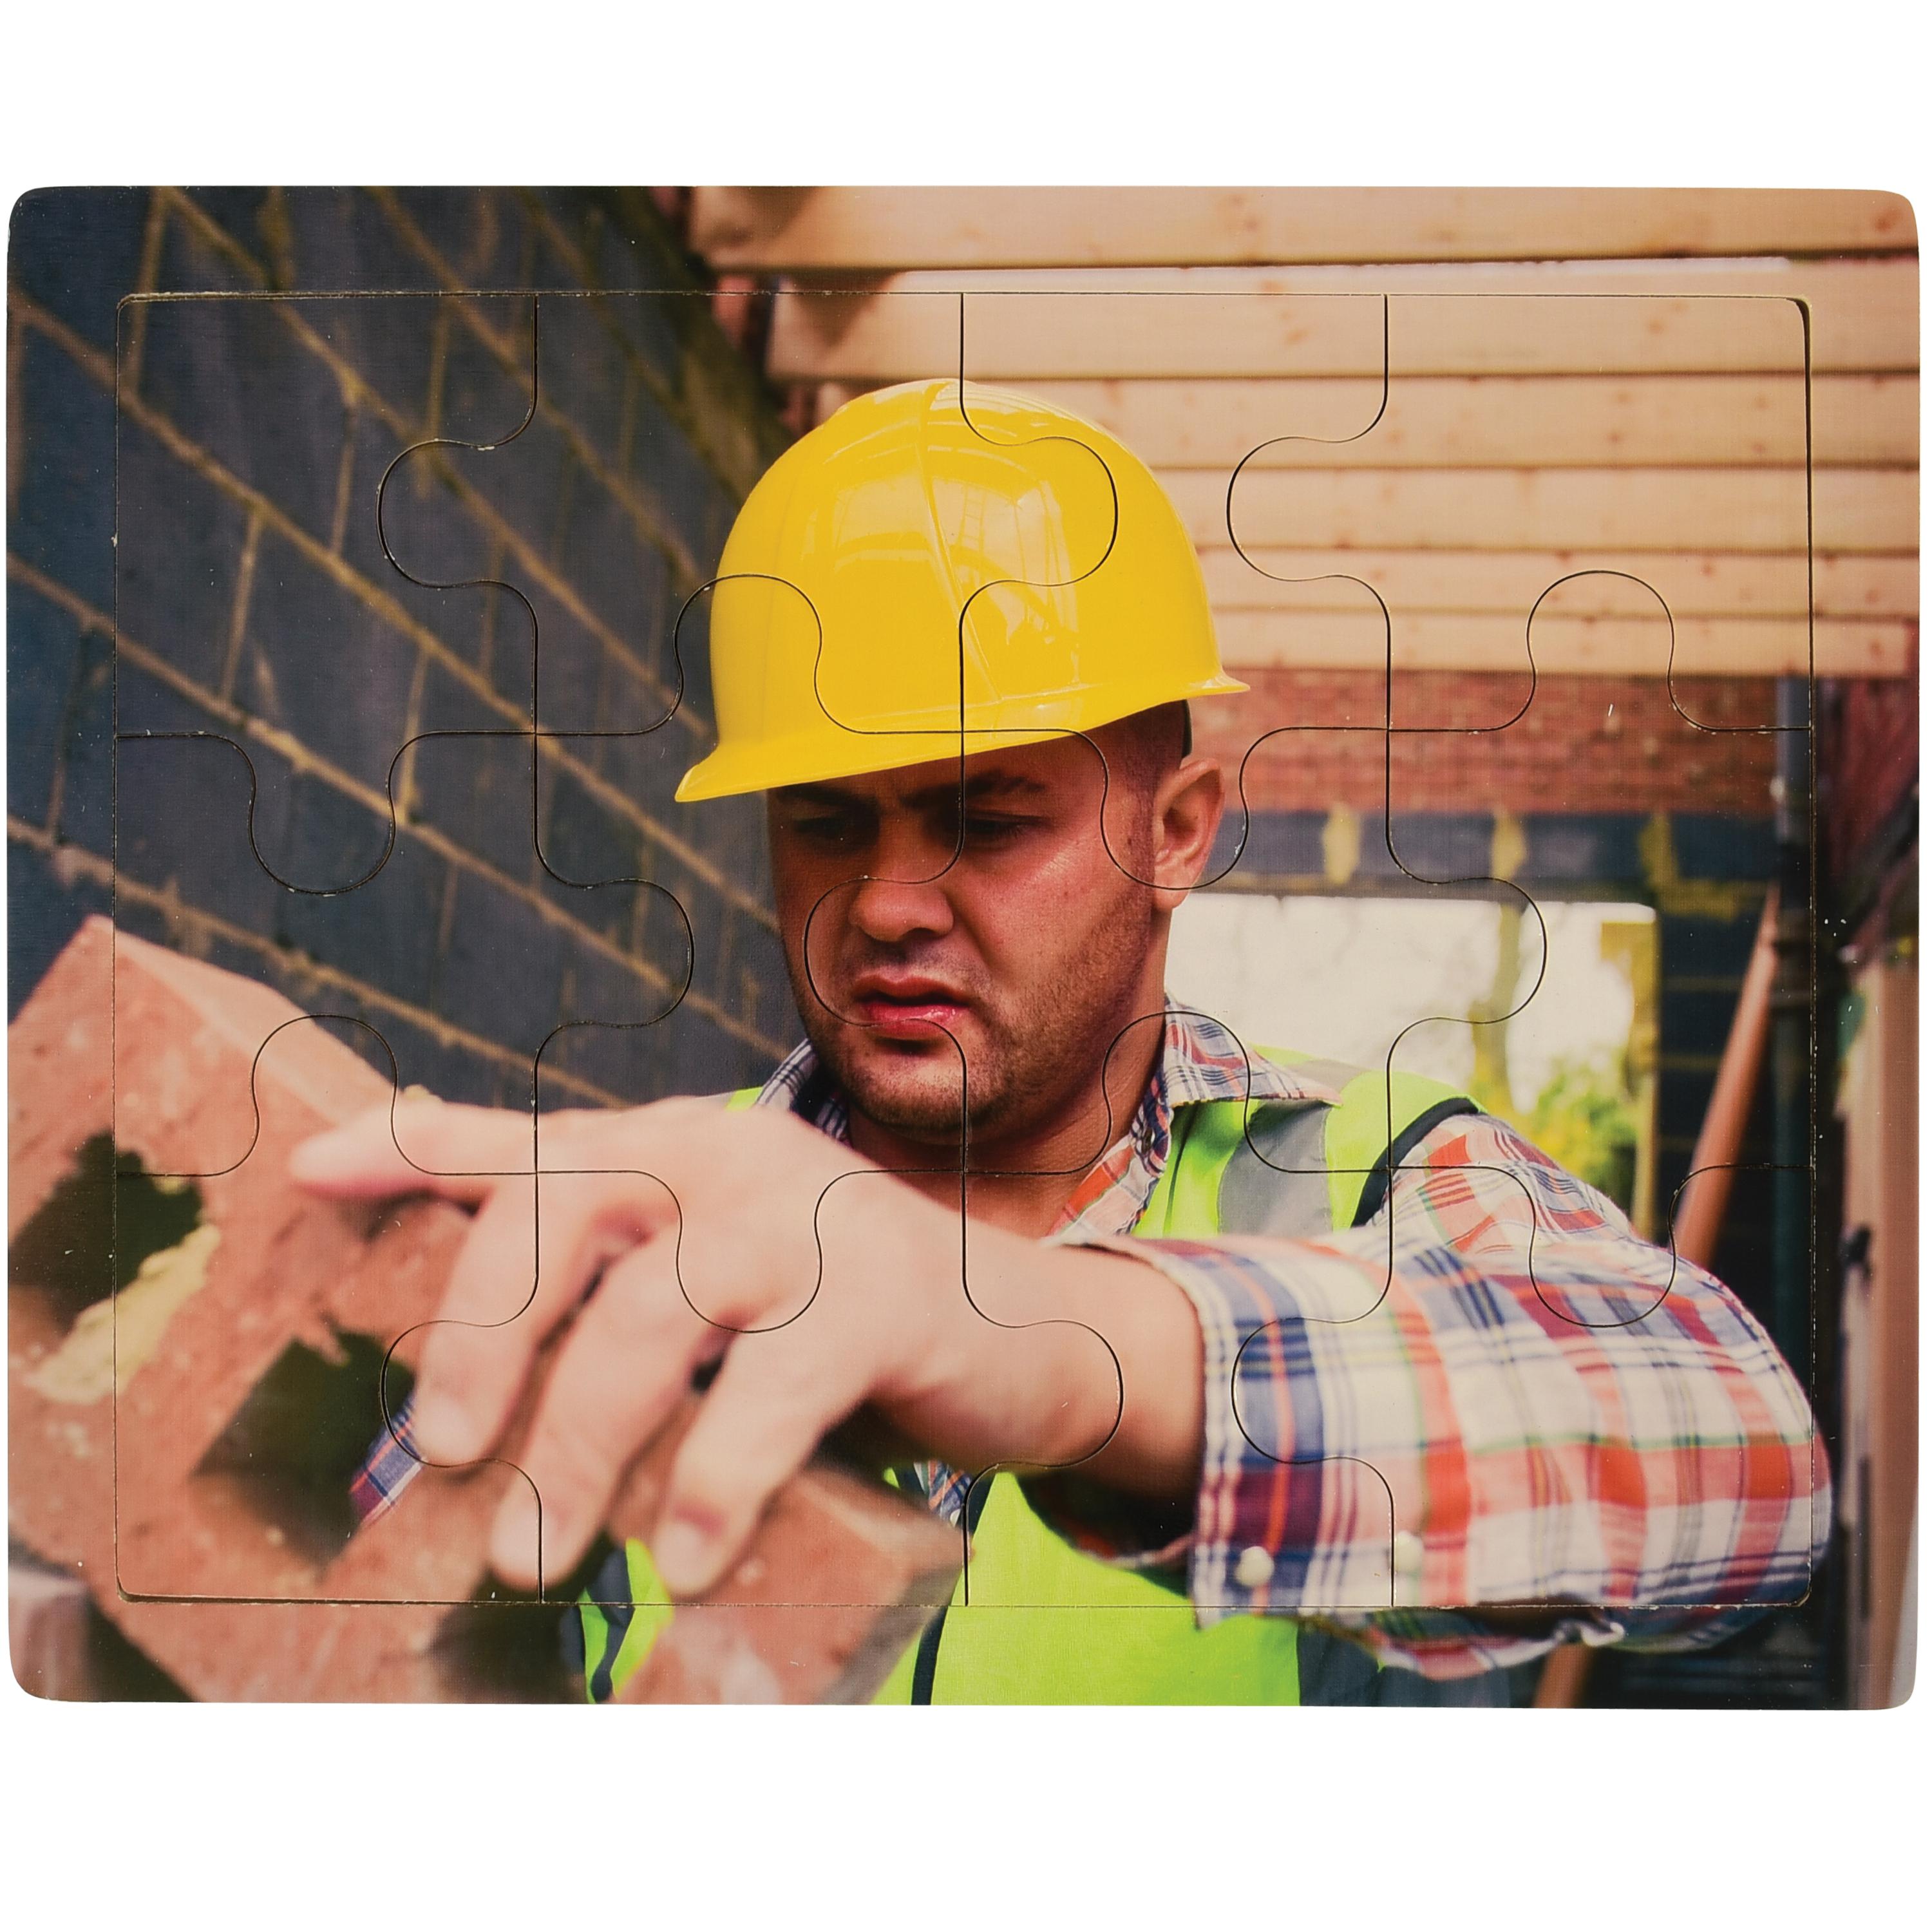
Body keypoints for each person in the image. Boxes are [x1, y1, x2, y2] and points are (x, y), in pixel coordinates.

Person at [294, 379, 1826, 1704]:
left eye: (984, 820)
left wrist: (1063, 1347)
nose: (888, 900)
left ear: (1179, 833)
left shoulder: (1379, 1182)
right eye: (827, 823)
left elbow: (1752, 1467)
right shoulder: (656, 1232)